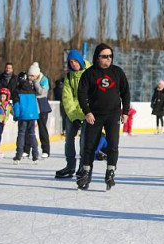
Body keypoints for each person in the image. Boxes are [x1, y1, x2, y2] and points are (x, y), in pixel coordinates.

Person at [77, 43, 130, 191]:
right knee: (89, 146)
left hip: (113, 114)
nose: (108, 59)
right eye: (104, 56)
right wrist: (87, 111)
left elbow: (125, 93)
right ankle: (86, 173)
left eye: (110, 56)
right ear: (97, 57)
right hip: (94, 115)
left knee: (113, 145)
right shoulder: (89, 73)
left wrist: (125, 112)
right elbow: (81, 94)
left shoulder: (117, 72)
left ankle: (110, 172)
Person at [55, 50, 91, 179]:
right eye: (71, 62)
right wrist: (74, 117)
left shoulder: (90, 73)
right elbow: (67, 98)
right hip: (73, 113)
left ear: (80, 61)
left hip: (88, 111)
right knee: (69, 139)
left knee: (84, 141)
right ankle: (70, 166)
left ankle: (82, 167)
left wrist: (88, 112)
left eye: (75, 61)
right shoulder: (69, 77)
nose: (74, 64)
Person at [23, 62, 51, 159]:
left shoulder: (44, 80)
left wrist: (35, 83)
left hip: (42, 107)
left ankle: (46, 150)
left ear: (36, 75)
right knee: (29, 128)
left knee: (42, 128)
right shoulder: (28, 80)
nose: (30, 77)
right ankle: (26, 150)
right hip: (31, 106)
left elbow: (42, 92)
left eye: (32, 76)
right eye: (29, 75)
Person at [12, 72, 39, 164]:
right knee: (32, 134)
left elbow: (16, 105)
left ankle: (18, 155)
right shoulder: (31, 89)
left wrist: (16, 116)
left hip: (23, 115)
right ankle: (35, 156)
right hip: (33, 115)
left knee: (21, 134)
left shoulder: (17, 90)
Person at [0, 88, 13, 158]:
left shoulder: (8, 105)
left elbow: (13, 112)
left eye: (3, 97)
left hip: (2, 123)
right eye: (1, 96)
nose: (2, 98)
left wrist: (17, 117)